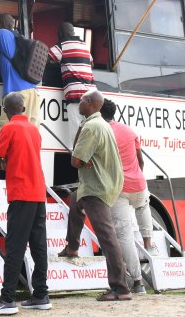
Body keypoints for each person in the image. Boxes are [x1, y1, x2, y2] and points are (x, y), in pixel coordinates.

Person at [0, 92, 51, 315]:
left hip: (21, 192)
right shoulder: (34, 129)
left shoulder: (8, 128)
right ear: (23, 108)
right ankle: (40, 294)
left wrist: (4, 163)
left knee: (15, 247)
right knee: (39, 247)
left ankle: (7, 298)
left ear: (5, 110)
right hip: (39, 192)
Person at [57, 90, 131, 301]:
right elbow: (80, 156)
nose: (78, 102)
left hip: (97, 186)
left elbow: (75, 160)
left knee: (107, 237)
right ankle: (72, 247)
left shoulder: (91, 127)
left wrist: (82, 158)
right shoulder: (101, 124)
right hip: (102, 183)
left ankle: (120, 288)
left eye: (81, 100)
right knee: (74, 200)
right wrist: (82, 156)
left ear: (89, 102)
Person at [101, 98, 156, 295]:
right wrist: (138, 176)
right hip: (138, 184)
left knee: (124, 236)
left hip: (119, 188)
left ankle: (138, 281)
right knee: (143, 205)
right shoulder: (128, 130)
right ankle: (148, 242)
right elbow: (140, 159)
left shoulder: (102, 131)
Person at [0, 14, 40, 126]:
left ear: (2, 24)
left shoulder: (1, 33)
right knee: (31, 134)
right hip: (33, 92)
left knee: (8, 130)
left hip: (17, 94)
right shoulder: (20, 38)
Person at [48, 22, 95, 146]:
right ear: (74, 33)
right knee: (90, 133)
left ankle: (78, 162)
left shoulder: (62, 45)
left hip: (76, 95)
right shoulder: (84, 46)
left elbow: (46, 58)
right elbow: (91, 63)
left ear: (60, 34)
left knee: (76, 136)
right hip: (91, 94)